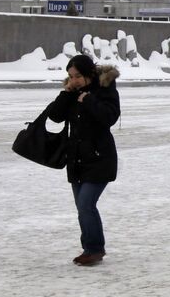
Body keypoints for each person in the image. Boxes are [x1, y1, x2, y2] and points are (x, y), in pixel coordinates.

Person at [43, 54, 121, 266]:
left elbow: (109, 117)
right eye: (70, 76)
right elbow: (55, 116)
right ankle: (90, 247)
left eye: (77, 76)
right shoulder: (72, 92)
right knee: (82, 207)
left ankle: (94, 249)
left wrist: (88, 100)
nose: (73, 80)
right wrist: (65, 93)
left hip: (99, 158)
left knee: (87, 204)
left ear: (89, 74)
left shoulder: (105, 89)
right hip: (76, 159)